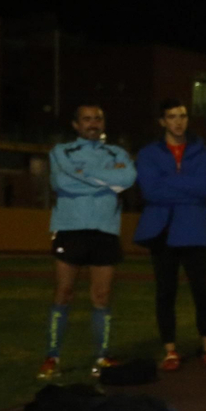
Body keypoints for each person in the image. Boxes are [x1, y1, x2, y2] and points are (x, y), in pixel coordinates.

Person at [40, 104, 134, 379]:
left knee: (102, 297)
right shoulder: (61, 152)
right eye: (87, 119)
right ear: (76, 125)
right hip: (70, 229)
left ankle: (102, 357)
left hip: (105, 230)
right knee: (64, 292)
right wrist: (107, 180)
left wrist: (83, 177)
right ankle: (52, 356)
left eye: (98, 119)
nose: (93, 123)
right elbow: (62, 184)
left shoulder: (118, 153)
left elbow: (127, 178)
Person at [133, 99, 206, 370]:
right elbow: (150, 191)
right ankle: (170, 350)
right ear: (162, 121)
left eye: (183, 116)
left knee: (203, 292)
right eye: (172, 116)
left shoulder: (203, 152)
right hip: (162, 230)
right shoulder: (149, 153)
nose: (178, 121)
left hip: (195, 229)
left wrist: (169, 183)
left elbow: (205, 188)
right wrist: (186, 187)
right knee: (165, 292)